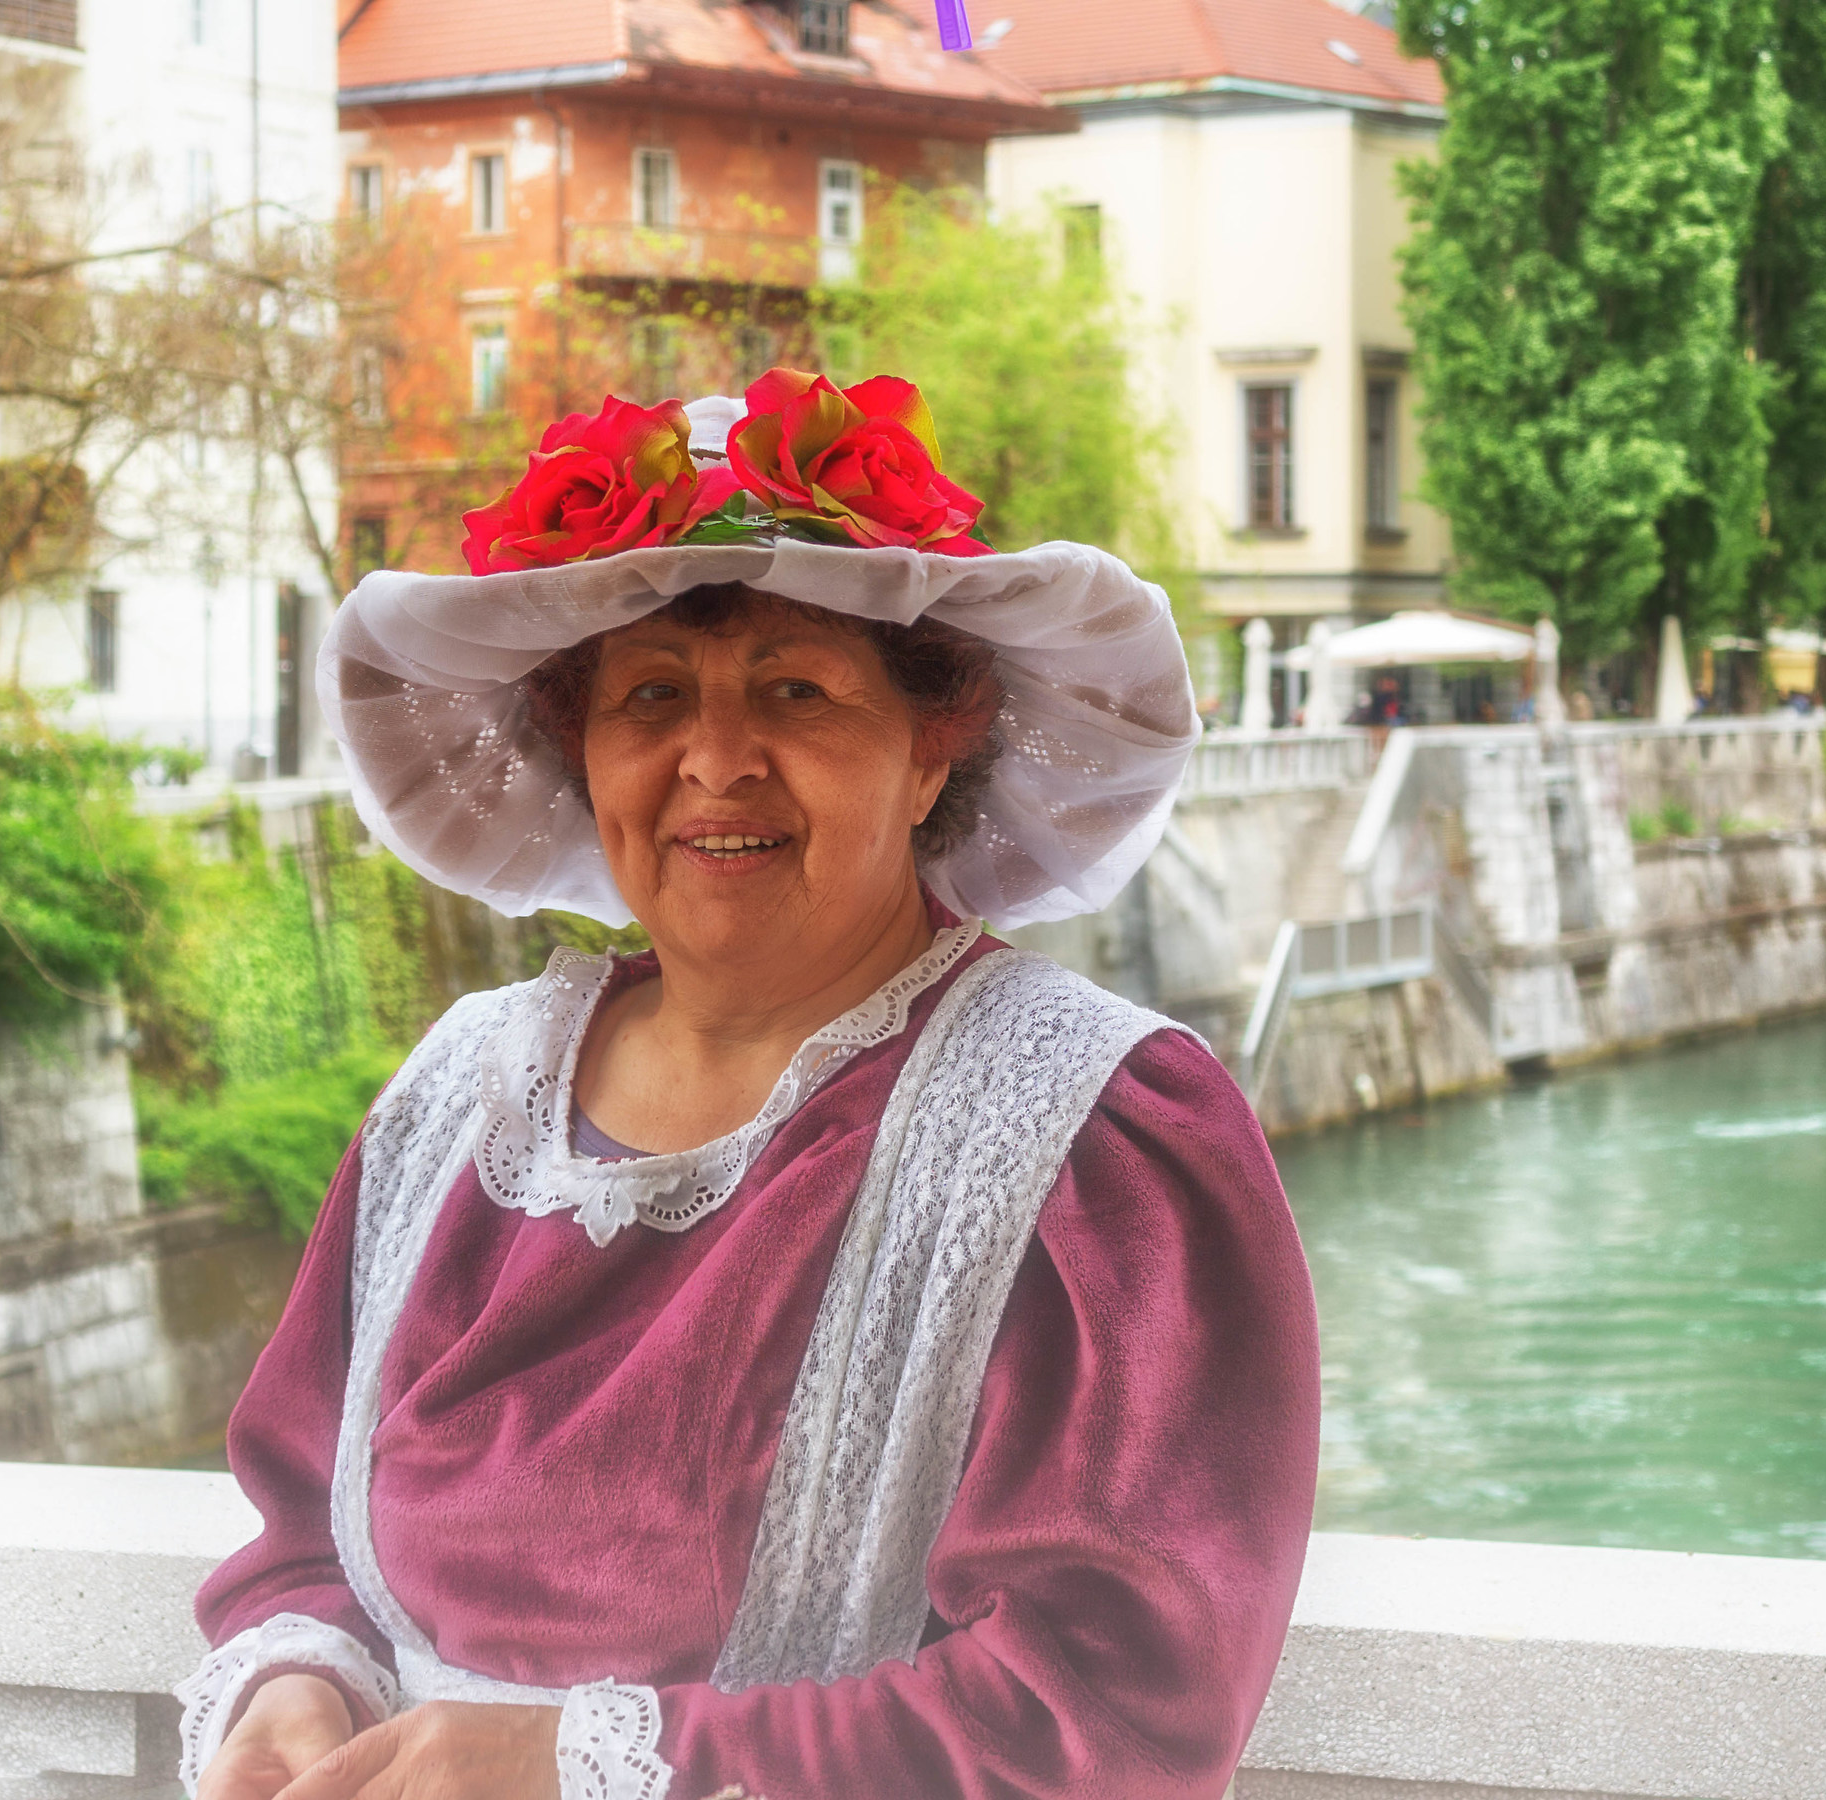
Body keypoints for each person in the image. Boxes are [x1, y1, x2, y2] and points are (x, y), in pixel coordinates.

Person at [178, 371, 1320, 1800]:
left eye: (797, 689)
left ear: (930, 747)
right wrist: (298, 1682)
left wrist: (580, 1769)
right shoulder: (457, 1098)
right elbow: (305, 1534)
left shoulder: (1093, 1139)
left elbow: (1112, 1716)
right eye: (652, 693)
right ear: (579, 748)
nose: (715, 760)